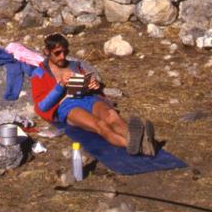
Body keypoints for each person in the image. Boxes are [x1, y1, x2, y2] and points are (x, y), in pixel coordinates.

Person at [29, 33, 157, 156]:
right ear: (47, 52)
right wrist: (60, 85)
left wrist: (93, 85)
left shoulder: (74, 65)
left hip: (88, 98)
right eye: (57, 53)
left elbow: (87, 82)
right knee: (100, 125)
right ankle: (136, 145)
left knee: (112, 116)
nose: (62, 56)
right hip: (68, 106)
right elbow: (42, 106)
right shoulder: (39, 74)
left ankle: (140, 140)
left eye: (65, 52)